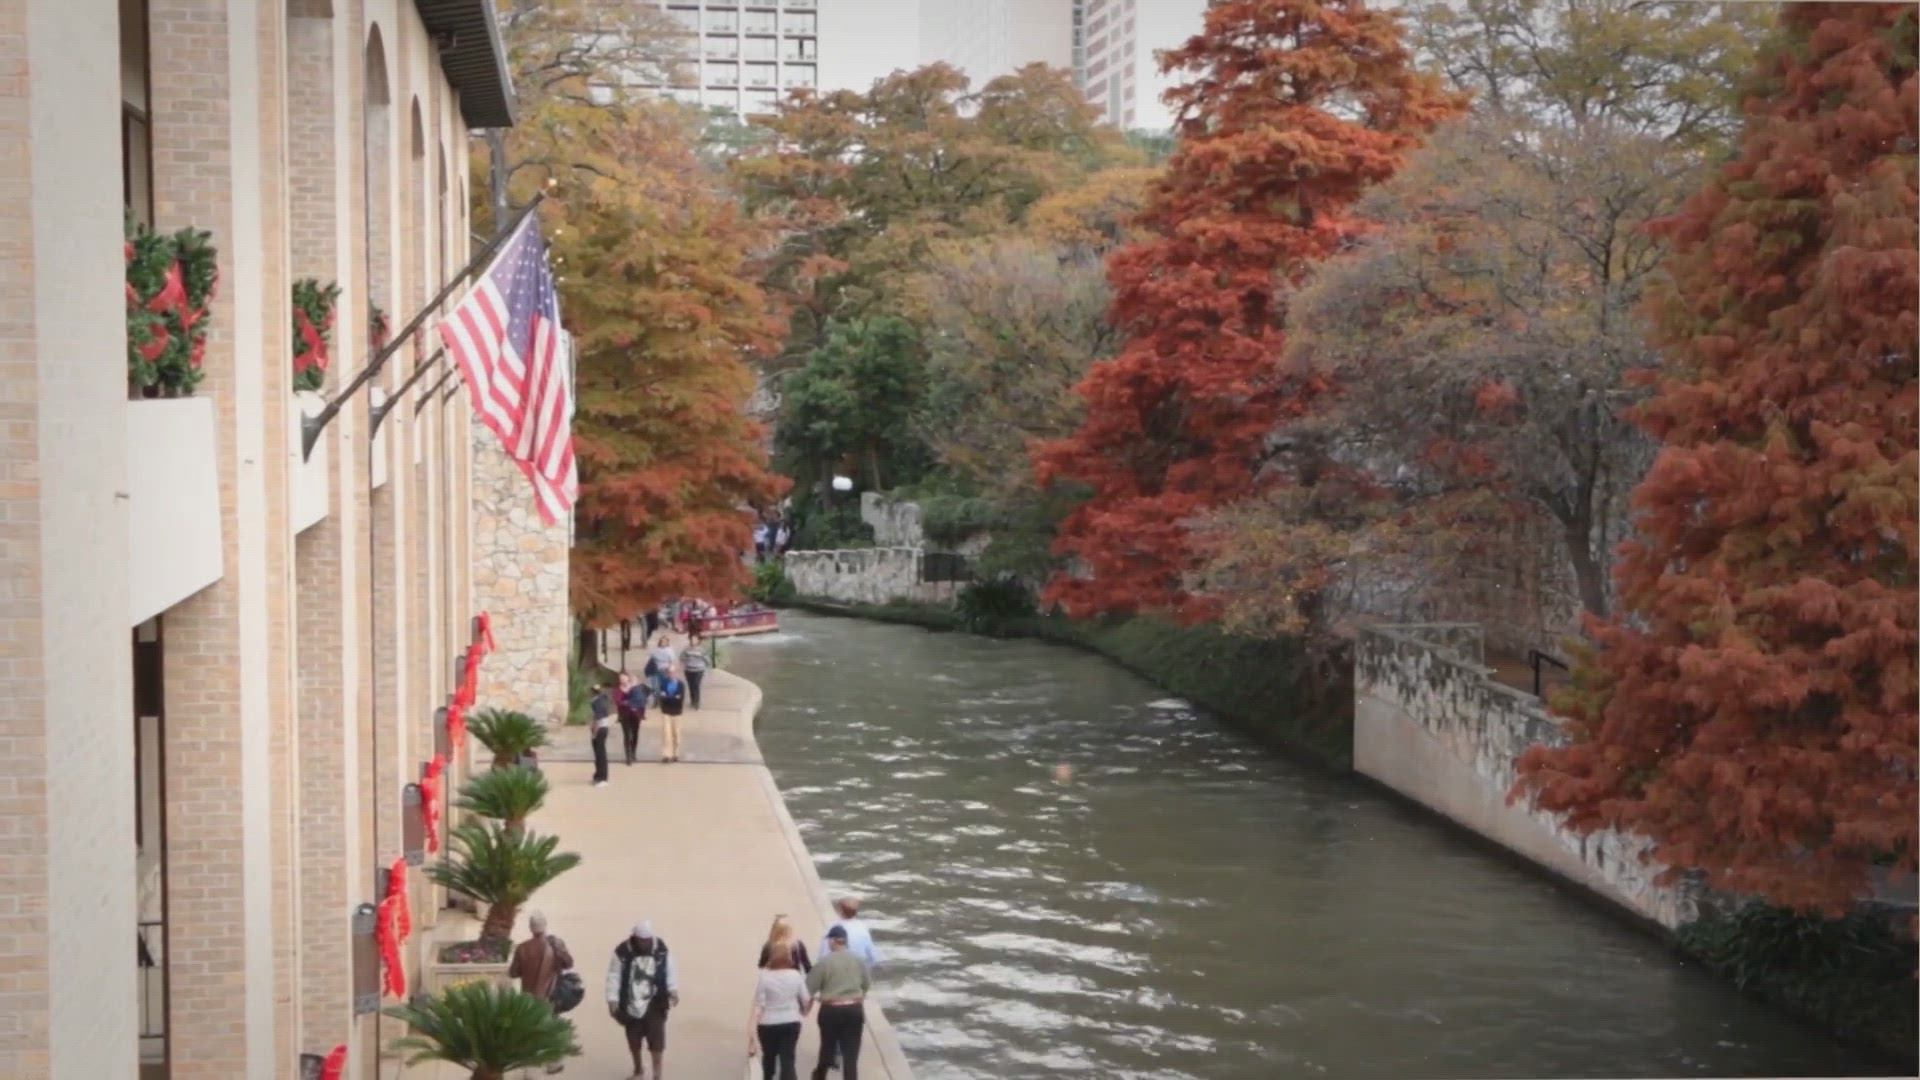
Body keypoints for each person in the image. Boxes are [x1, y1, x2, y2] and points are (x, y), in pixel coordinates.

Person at [606, 922, 678, 1080]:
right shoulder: (622, 952)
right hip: (631, 1004)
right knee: (634, 1042)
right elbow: (614, 976)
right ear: (635, 937)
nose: (645, 943)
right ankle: (638, 1069)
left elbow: (669, 969)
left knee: (657, 1043)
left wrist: (673, 989)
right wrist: (612, 998)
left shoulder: (661, 949)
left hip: (655, 1003)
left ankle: (657, 1075)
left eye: (647, 939)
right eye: (641, 940)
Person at [815, 898, 879, 1073]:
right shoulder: (863, 930)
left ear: (840, 910)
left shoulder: (832, 931)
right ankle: (846, 1053)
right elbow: (874, 957)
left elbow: (822, 958)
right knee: (851, 1021)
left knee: (832, 1019)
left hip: (834, 980)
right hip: (854, 983)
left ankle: (833, 1054)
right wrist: (864, 974)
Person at [509, 912, 575, 1074]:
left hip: (528, 998)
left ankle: (530, 1072)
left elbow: (514, 973)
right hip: (548, 996)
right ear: (545, 926)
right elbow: (569, 964)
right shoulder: (555, 944)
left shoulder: (522, 948)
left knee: (529, 1034)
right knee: (550, 1030)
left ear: (531, 928)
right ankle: (553, 1063)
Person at [806, 926, 870, 1080]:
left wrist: (807, 1005)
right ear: (845, 941)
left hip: (831, 1010)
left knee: (827, 1048)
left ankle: (819, 1075)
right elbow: (866, 984)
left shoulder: (824, 962)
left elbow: (809, 987)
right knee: (851, 1055)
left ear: (833, 941)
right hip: (854, 1009)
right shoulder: (859, 960)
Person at [748, 938, 811, 1080]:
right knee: (787, 1058)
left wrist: (752, 1028)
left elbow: (759, 1004)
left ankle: (768, 1076)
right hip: (791, 1021)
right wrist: (804, 1011)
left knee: (769, 1056)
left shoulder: (765, 977)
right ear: (788, 957)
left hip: (767, 1023)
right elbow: (806, 999)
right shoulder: (796, 976)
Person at [656, 666, 687, 763]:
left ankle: (675, 753)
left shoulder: (680, 684)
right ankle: (667, 754)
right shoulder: (664, 683)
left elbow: (680, 698)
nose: (671, 674)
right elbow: (661, 696)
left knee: (676, 733)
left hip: (677, 711)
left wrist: (669, 697)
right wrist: (672, 697)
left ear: (676, 673)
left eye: (673, 672)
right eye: (670, 672)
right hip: (666, 711)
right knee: (666, 734)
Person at [620, 672, 649, 766]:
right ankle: (628, 757)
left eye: (633, 681)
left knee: (635, 734)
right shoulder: (621, 690)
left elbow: (643, 698)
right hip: (625, 715)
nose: (631, 682)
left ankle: (633, 753)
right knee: (627, 735)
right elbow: (619, 701)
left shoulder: (638, 689)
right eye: (630, 680)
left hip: (636, 715)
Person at [589, 682, 614, 787]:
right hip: (603, 727)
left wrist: (594, 731)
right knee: (599, 753)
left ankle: (602, 778)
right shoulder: (603, 699)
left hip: (600, 729)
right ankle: (598, 775)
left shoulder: (597, 702)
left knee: (600, 754)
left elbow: (597, 718)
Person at [681, 634, 712, 712]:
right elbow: (681, 657)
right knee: (691, 686)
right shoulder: (686, 648)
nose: (693, 641)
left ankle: (697, 704)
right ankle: (692, 701)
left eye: (695, 639)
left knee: (696, 685)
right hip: (688, 670)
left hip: (699, 670)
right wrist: (687, 659)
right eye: (691, 639)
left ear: (698, 640)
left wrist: (708, 667)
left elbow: (707, 659)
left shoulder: (702, 649)